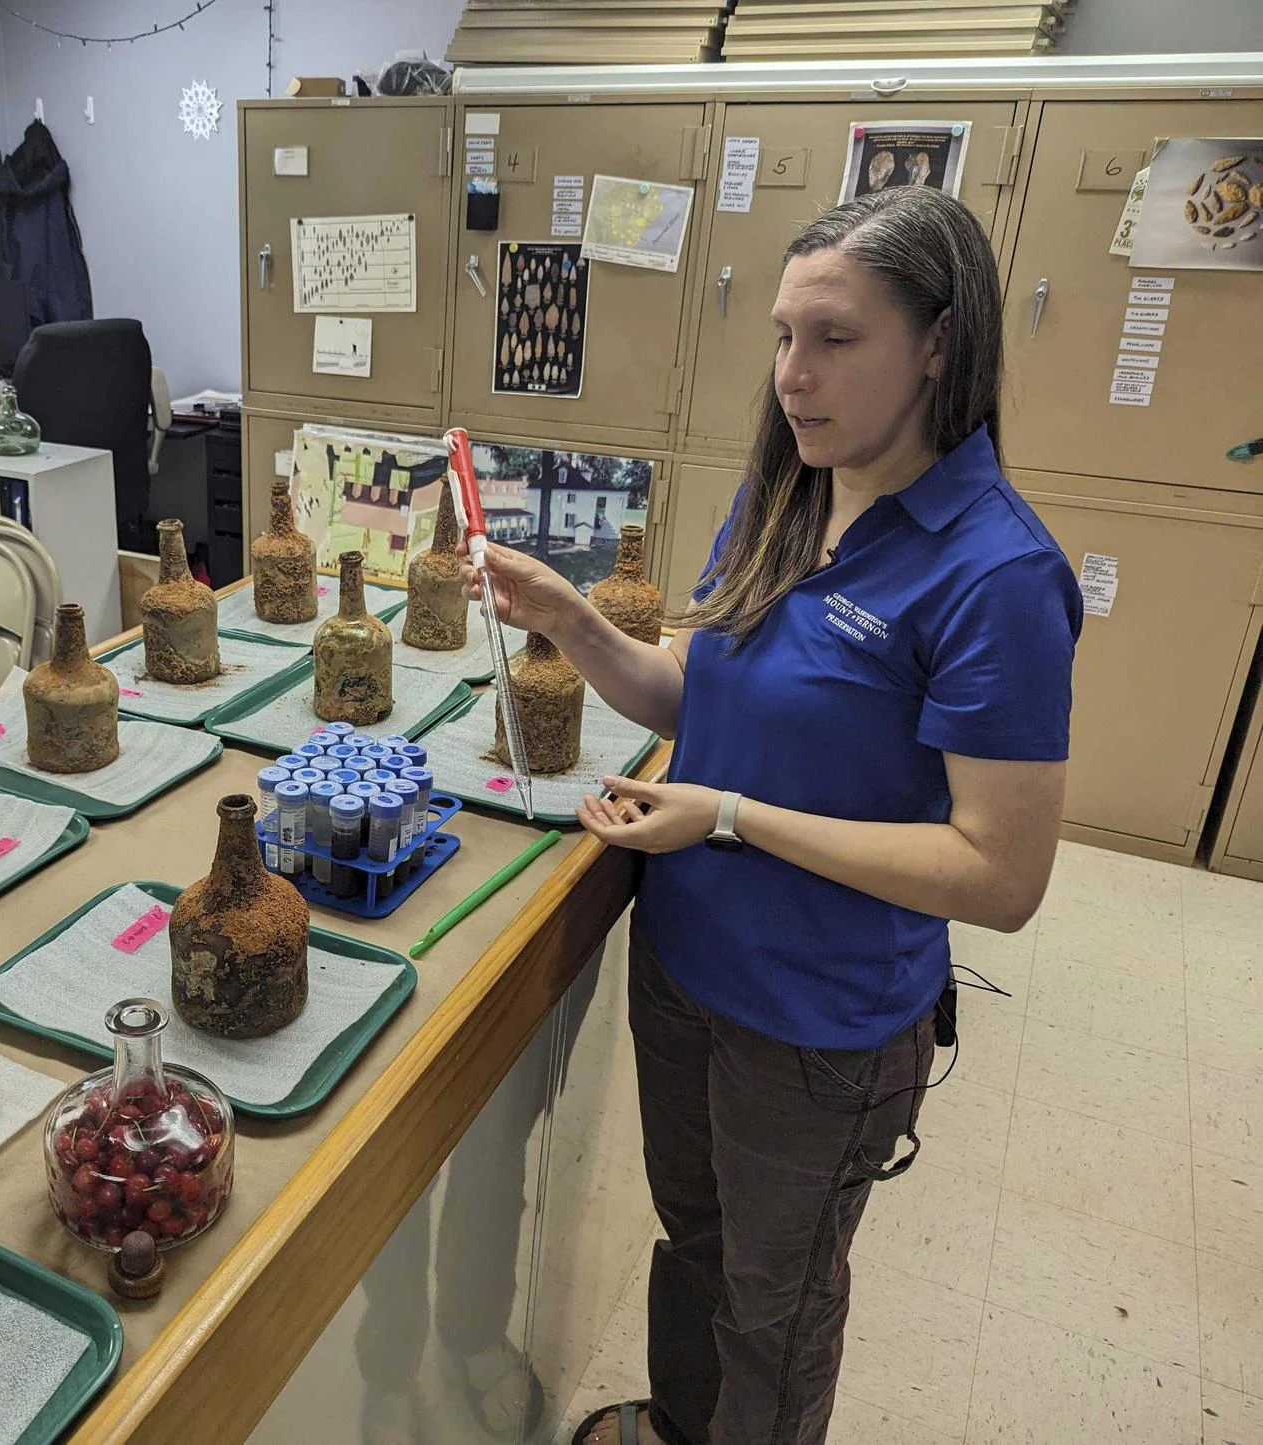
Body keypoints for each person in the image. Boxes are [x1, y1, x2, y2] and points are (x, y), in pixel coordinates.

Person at [462, 187, 1081, 1445]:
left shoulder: (998, 575)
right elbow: (700, 684)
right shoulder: (795, 493)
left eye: (835, 340)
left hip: (819, 1022)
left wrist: (733, 816)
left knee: (776, 1307)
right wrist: (573, 620)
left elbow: (1002, 875)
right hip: (688, 965)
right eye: (784, 336)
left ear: (940, 346)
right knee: (696, 1242)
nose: (793, 376)